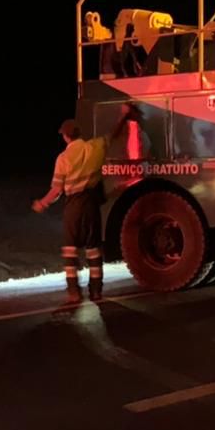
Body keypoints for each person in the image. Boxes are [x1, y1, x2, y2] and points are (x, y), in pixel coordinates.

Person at [32, 104, 139, 304]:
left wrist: (42, 203)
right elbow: (113, 134)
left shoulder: (63, 158)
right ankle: (96, 291)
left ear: (66, 136)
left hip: (73, 207)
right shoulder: (94, 147)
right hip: (91, 205)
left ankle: (74, 291)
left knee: (70, 250)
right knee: (94, 249)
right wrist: (124, 115)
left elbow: (57, 190)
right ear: (79, 133)